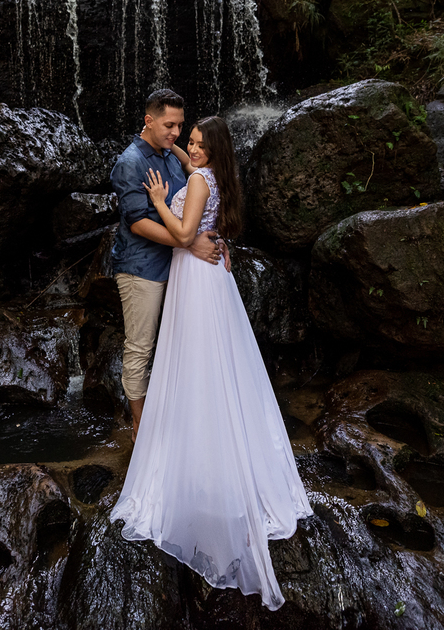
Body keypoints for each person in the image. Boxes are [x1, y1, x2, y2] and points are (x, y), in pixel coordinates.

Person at [110, 115, 312, 611]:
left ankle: (202, 465)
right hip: (205, 279)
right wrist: (181, 153)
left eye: (199, 143)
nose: (191, 149)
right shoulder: (214, 174)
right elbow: (194, 171)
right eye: (189, 140)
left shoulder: (200, 180)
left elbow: (183, 234)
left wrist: (160, 200)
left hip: (194, 277)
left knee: (197, 365)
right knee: (215, 366)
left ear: (213, 151)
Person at [110, 90, 225, 442]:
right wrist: (189, 242)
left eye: (180, 126)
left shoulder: (172, 155)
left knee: (180, 346)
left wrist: (216, 239)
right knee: (141, 347)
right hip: (141, 267)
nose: (176, 133)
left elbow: (199, 202)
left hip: (180, 268)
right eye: (169, 125)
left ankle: (182, 424)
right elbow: (137, 223)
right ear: (149, 121)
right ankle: (141, 428)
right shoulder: (130, 163)